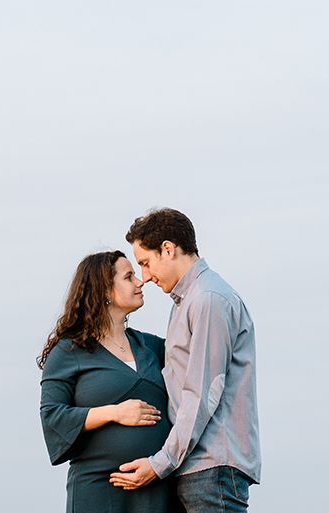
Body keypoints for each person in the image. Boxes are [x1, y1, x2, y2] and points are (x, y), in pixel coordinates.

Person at [110, 208, 261, 512]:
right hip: (197, 469)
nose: (146, 277)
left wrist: (159, 464)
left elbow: (202, 393)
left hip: (211, 469)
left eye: (146, 263)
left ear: (168, 249)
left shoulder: (207, 300)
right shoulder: (186, 302)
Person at [39, 250, 179, 513]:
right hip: (98, 487)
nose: (141, 282)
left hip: (156, 486)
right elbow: (52, 415)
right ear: (104, 290)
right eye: (129, 277)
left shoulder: (152, 346)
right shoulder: (68, 352)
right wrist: (115, 413)